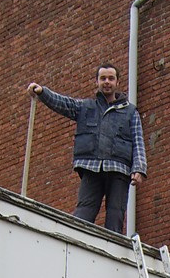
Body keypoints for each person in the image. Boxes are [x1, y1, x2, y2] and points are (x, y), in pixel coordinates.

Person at [27, 64, 147, 233]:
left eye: (111, 78)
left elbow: (138, 140)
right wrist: (43, 92)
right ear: (97, 82)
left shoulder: (130, 111)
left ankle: (112, 250)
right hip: (92, 166)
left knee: (115, 214)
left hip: (119, 168)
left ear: (117, 82)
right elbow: (63, 103)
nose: (107, 82)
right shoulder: (86, 107)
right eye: (103, 78)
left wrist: (139, 168)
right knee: (84, 211)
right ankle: (76, 241)